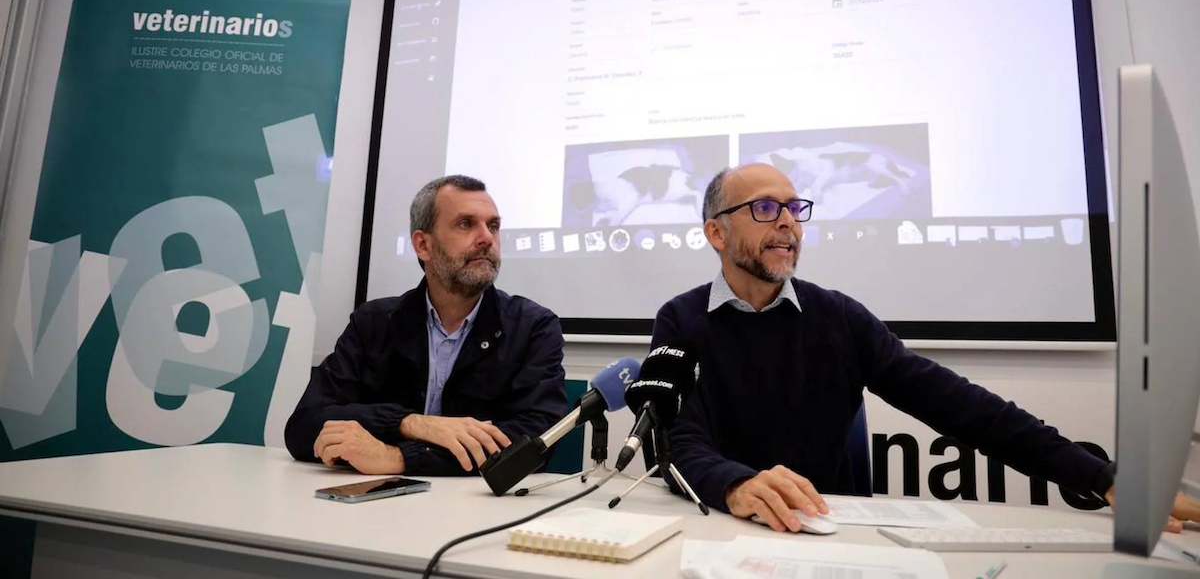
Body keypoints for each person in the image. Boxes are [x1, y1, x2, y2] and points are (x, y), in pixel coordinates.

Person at [652, 162, 1197, 533]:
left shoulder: (838, 317)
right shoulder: (680, 320)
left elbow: (961, 405)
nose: (790, 223)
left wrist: (1104, 479)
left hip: (830, 540)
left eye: (795, 209)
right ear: (717, 233)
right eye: (766, 209)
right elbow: (674, 437)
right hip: (719, 533)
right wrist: (737, 484)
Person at [284, 175, 567, 476]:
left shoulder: (533, 328)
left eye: (493, 226)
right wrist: (410, 423)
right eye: (466, 224)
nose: (487, 238)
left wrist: (398, 457)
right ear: (423, 244)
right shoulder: (374, 322)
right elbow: (304, 426)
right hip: (373, 511)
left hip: (476, 510)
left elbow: (536, 444)